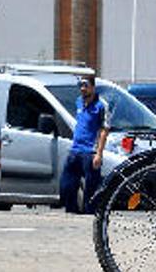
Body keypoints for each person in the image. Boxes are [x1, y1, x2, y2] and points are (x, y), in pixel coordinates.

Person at [59, 74, 110, 214]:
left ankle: (90, 213)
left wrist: (99, 154)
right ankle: (71, 210)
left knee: (91, 188)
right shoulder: (78, 102)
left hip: (90, 152)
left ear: (93, 87)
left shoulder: (101, 105)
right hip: (75, 150)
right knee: (66, 185)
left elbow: (104, 131)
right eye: (81, 86)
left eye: (86, 86)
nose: (82, 89)